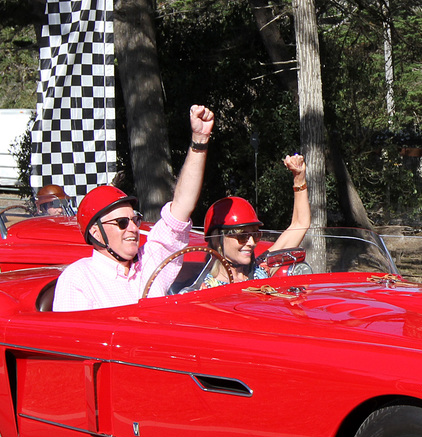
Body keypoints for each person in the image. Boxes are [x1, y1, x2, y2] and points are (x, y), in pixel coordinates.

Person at [52, 105, 215, 312]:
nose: (133, 228)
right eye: (121, 223)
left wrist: (199, 141)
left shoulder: (150, 262)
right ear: (96, 232)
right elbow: (75, 341)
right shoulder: (79, 278)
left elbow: (181, 207)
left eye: (134, 220)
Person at [195, 154, 312, 288]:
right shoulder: (205, 289)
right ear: (217, 240)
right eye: (242, 236)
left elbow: (300, 224)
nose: (251, 243)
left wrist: (299, 179)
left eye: (255, 235)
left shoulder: (260, 270)